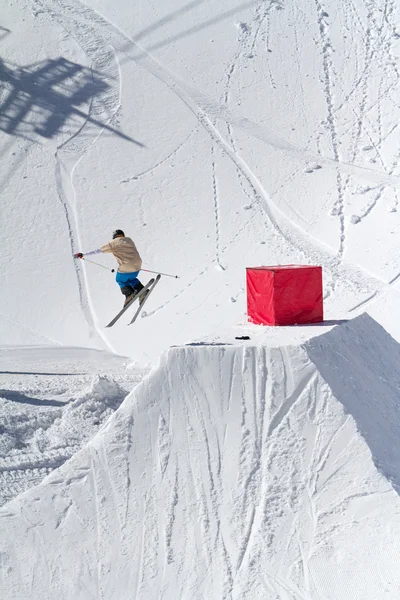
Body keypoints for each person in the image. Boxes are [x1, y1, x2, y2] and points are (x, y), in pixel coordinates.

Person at [74, 230, 147, 307]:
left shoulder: (113, 243)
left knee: (120, 279)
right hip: (137, 265)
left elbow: (98, 251)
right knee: (131, 279)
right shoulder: (129, 240)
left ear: (115, 236)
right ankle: (142, 290)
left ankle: (129, 294)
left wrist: (84, 254)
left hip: (126, 265)